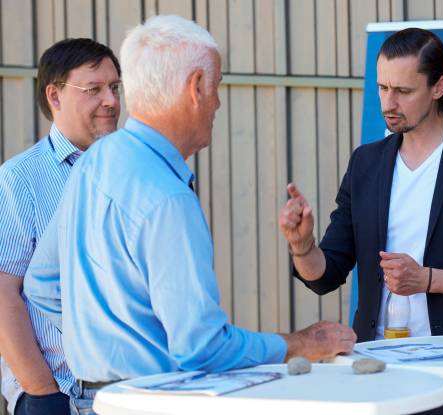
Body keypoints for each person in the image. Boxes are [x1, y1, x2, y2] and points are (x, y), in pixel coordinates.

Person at [24, 15, 355, 415]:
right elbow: (202, 347)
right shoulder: (166, 197)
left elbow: (42, 284)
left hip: (95, 399)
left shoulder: (94, 162)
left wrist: (105, 337)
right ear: (196, 87)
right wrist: (302, 343)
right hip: (156, 400)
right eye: (216, 88)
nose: (216, 102)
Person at [279, 27, 443, 414]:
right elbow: (327, 273)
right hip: (376, 372)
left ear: (438, 87)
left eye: (403, 91)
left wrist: (429, 279)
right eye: (383, 88)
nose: (389, 102)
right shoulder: (365, 163)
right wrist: (302, 245)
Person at [0, 38, 121, 415]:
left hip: (132, 391)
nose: (112, 101)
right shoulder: (19, 179)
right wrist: (42, 393)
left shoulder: (129, 173)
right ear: (55, 96)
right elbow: (4, 295)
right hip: (63, 398)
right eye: (94, 89)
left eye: (115, 87)